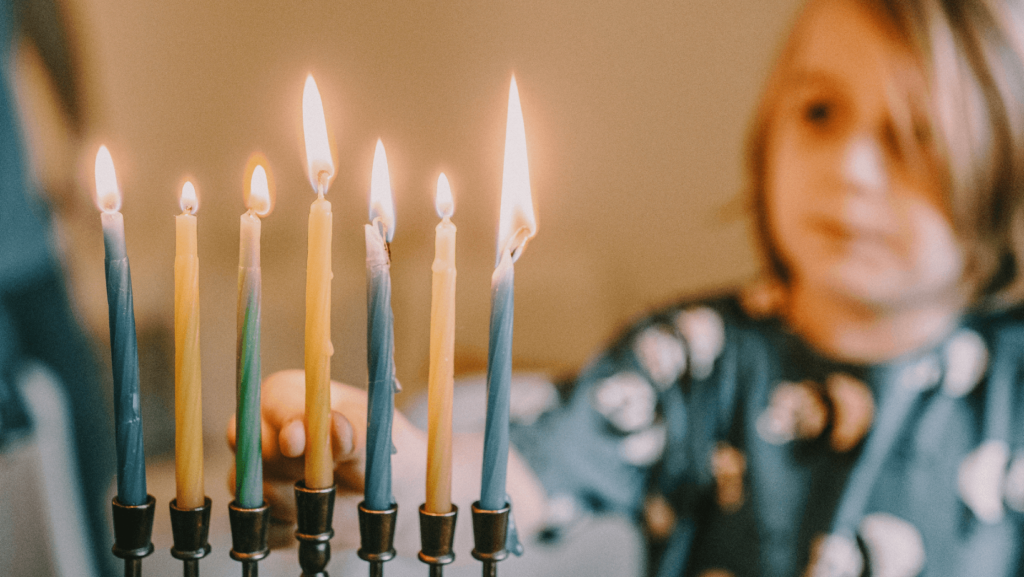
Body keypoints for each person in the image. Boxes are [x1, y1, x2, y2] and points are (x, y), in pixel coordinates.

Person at [230, 0, 1024, 575]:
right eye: (819, 111)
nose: (849, 170)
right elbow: (513, 477)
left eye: (912, 134)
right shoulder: (690, 359)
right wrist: (386, 459)